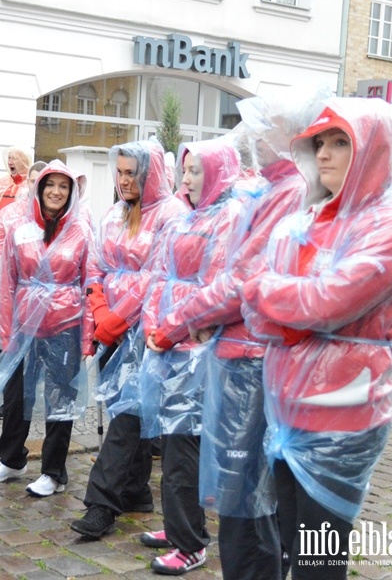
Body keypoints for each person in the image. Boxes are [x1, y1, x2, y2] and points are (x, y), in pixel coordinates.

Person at [240, 98, 392, 578]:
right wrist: (286, 306)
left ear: (373, 151)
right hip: (285, 409)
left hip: (342, 414)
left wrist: (271, 294)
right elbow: (262, 314)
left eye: (340, 142)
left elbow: (325, 303)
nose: (324, 153)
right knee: (287, 542)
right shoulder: (304, 222)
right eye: (320, 142)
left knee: (318, 559)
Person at [168, 87, 328, 580]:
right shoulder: (269, 188)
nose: (254, 133)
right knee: (253, 489)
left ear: (292, 134)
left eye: (266, 124)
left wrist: (183, 317)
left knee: (245, 491)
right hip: (242, 353)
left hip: (252, 360)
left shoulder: (287, 191)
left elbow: (243, 281)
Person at [69, 139, 188, 539]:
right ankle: (136, 491)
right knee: (131, 412)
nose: (123, 180)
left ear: (149, 173)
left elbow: (159, 275)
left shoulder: (171, 213)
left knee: (127, 415)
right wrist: (99, 313)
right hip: (112, 331)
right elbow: (96, 268)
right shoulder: (115, 213)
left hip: (147, 331)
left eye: (131, 172)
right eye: (119, 172)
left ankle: (101, 503)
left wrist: (119, 318)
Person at [139, 138, 242, 575]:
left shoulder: (230, 219)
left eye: (196, 170)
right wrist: (152, 323)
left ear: (218, 172)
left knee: (185, 446)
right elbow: (159, 272)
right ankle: (178, 524)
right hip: (171, 343)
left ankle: (191, 543)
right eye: (185, 170)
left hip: (199, 351)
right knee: (172, 440)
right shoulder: (189, 217)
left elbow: (216, 292)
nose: (187, 178)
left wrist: (171, 328)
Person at [0, 160, 93, 497]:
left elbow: (91, 283)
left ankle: (54, 472)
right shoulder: (22, 230)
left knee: (60, 399)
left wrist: (87, 336)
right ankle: (12, 458)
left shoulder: (81, 231)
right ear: (39, 188)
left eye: (63, 186)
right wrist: (5, 331)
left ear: (71, 192)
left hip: (65, 326)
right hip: (24, 327)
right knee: (17, 397)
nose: (56, 192)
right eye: (50, 185)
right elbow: (8, 282)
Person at [0, 161, 47, 419]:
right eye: (32, 181)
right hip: (15, 294)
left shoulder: (55, 216)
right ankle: (11, 403)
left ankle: (32, 395)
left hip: (45, 303)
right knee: (12, 352)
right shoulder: (10, 215)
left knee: (37, 357)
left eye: (39, 182)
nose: (36, 187)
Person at [0, 146, 33, 227]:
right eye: (9, 158)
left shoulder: (31, 184)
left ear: (24, 161)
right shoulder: (2, 183)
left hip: (20, 234)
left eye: (14, 158)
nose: (10, 162)